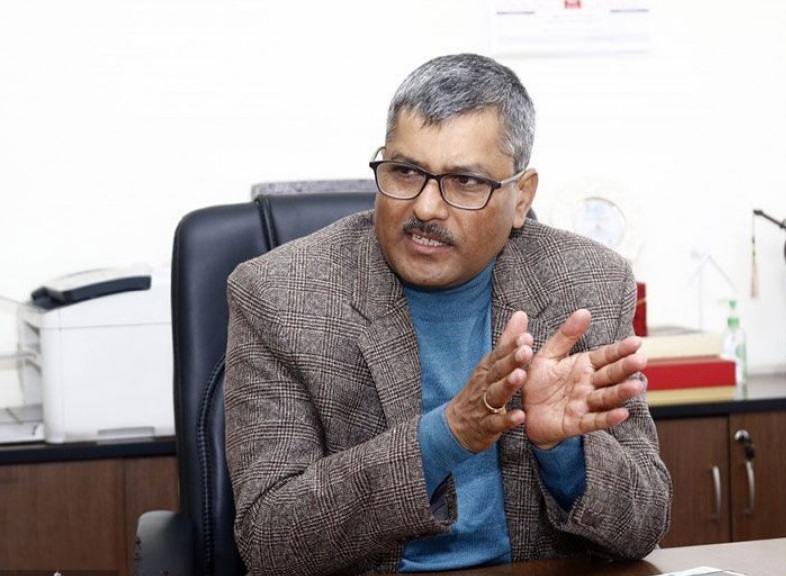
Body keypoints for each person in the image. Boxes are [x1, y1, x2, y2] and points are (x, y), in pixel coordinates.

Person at [224, 53, 671, 576]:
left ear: (521, 198)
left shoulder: (585, 284)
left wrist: (565, 451)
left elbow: (645, 526)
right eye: (405, 171)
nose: (426, 208)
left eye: (464, 181)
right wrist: (445, 435)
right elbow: (269, 541)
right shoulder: (281, 296)